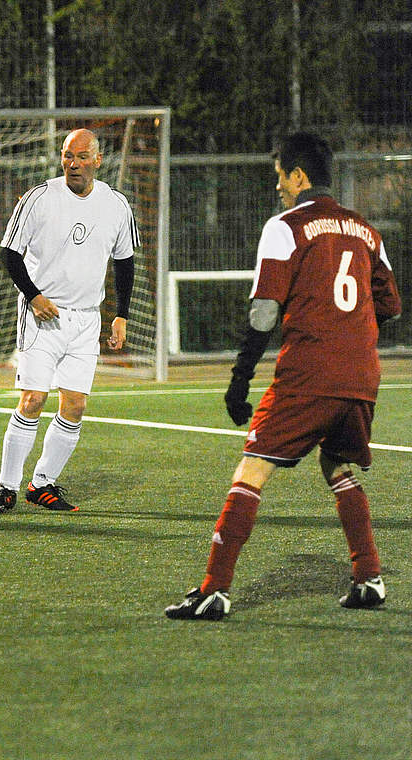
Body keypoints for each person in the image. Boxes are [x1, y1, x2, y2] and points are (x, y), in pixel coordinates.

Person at [165, 132, 401, 620]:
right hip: (361, 374)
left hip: (309, 372)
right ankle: (369, 577)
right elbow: (391, 307)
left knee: (252, 468)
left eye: (280, 177)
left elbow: (263, 314)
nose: (277, 188)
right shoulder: (366, 231)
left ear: (298, 176)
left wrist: (239, 379)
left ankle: (214, 588)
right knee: (337, 466)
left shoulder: (286, 226)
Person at [0, 128, 138, 515]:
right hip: (41, 318)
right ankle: (6, 488)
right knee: (33, 399)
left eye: (82, 156)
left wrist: (121, 314)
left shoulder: (116, 205)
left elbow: (125, 261)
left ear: (98, 160)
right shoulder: (40, 198)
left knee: (76, 405)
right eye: (68, 155)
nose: (73, 163)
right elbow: (9, 254)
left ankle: (43, 483)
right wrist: (34, 296)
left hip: (86, 321)